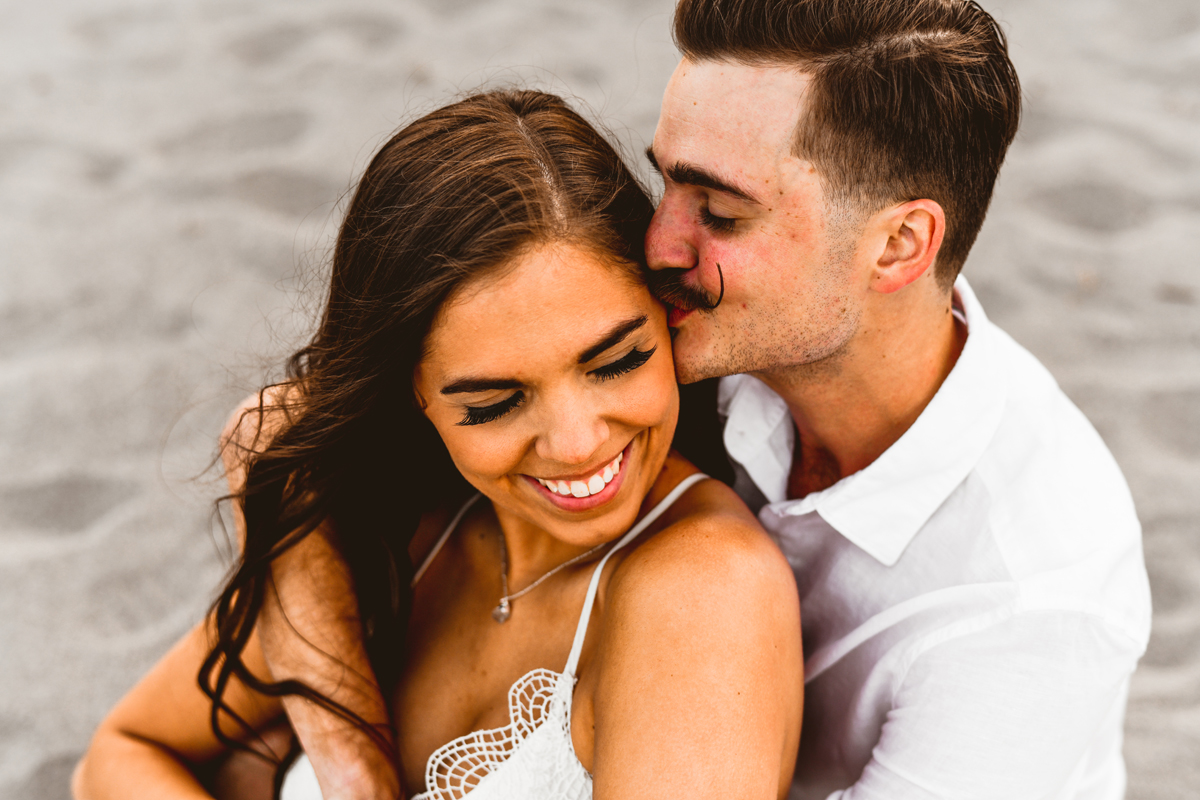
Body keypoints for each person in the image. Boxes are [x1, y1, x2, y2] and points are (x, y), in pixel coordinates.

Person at [195, 1, 1153, 799]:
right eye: (668, 182)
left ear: (898, 247)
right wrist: (352, 763)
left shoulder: (1031, 603)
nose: (657, 243)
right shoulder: (697, 334)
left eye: (722, 213)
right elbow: (278, 429)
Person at [72, 89, 804, 800]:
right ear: (412, 393)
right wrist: (350, 766)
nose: (578, 441)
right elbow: (123, 753)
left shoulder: (702, 593)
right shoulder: (392, 533)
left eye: (617, 361)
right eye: (494, 402)